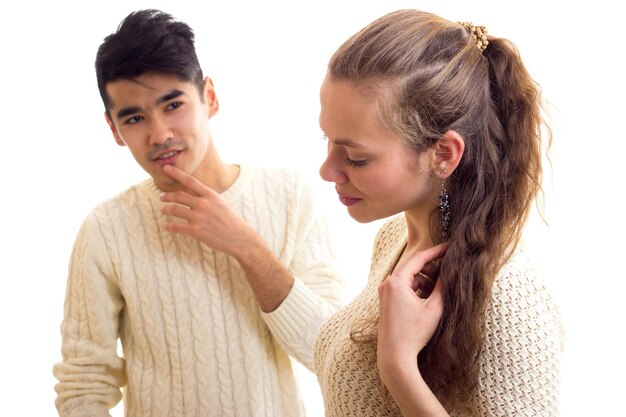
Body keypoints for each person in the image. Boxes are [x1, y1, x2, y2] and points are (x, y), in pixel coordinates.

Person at [53, 9, 344, 417]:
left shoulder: (290, 196)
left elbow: (331, 354)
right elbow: (84, 385)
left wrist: (246, 246)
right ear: (114, 129)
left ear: (209, 96)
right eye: (134, 117)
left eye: (172, 104)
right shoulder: (106, 230)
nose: (159, 134)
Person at [314, 9, 564, 417]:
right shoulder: (396, 237)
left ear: (443, 155)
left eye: (356, 158)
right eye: (327, 139)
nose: (327, 171)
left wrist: (399, 370)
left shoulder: (508, 297)